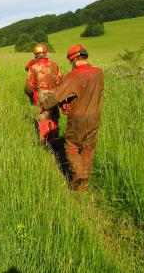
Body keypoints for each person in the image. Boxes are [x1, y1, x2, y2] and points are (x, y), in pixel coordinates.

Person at [38, 44, 104, 191]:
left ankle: (78, 175)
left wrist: (44, 106)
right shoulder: (99, 73)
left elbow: (56, 96)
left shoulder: (73, 76)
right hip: (95, 117)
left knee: (71, 147)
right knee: (88, 148)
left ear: (73, 60)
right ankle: (83, 184)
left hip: (78, 118)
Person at [26, 44, 62, 143]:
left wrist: (33, 96)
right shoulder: (55, 64)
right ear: (46, 54)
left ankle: (44, 142)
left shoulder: (34, 67)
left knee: (43, 119)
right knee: (54, 117)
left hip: (41, 95)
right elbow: (61, 80)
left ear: (35, 56)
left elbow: (29, 86)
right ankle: (55, 140)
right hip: (55, 94)